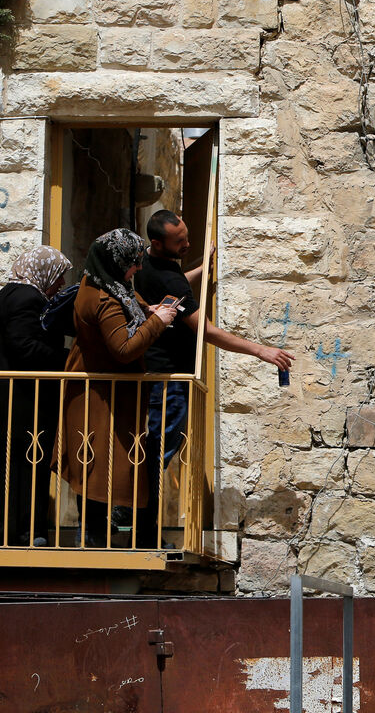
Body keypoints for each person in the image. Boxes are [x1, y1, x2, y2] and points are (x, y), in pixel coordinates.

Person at [131, 210, 293, 547]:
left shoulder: (147, 263)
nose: (188, 243)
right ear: (158, 242)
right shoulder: (168, 277)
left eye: (188, 236)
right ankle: (140, 532)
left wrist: (201, 271)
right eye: (180, 242)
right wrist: (260, 351)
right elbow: (206, 331)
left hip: (153, 373)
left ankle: (135, 526)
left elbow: (172, 291)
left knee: (151, 451)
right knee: (158, 453)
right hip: (169, 378)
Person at [59, 229, 178, 548]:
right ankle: (98, 538)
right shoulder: (103, 298)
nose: (138, 268)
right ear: (116, 262)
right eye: (134, 262)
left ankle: (102, 535)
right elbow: (124, 348)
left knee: (100, 464)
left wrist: (148, 311)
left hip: (107, 391)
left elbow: (129, 306)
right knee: (98, 466)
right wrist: (159, 321)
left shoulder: (106, 282)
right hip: (100, 392)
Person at [0, 246, 73, 547]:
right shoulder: (28, 298)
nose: (60, 285)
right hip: (17, 399)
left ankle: (2, 533)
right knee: (22, 463)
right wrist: (68, 359)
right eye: (58, 278)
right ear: (44, 274)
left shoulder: (4, 296)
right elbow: (24, 347)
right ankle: (23, 534)